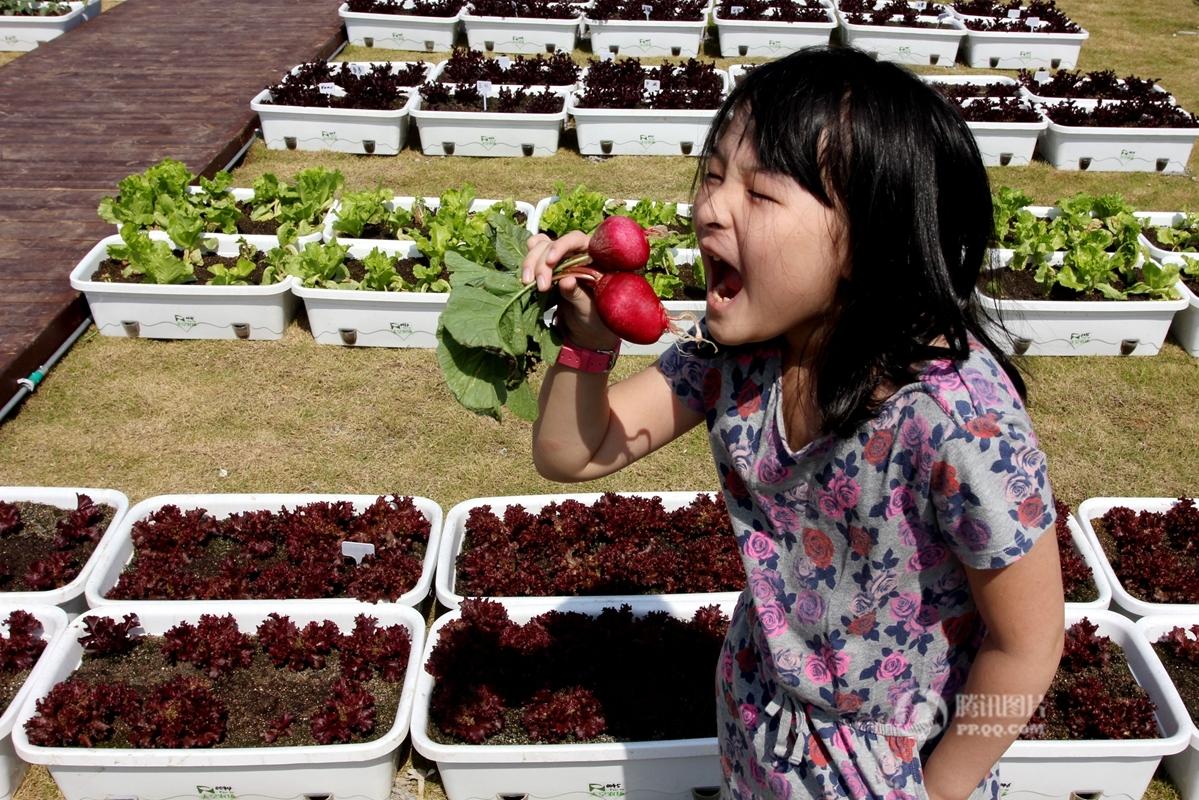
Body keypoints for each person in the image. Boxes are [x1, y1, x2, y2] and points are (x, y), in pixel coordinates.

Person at [521, 46, 1064, 800]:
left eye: (759, 193)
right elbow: (573, 455)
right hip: (758, 718)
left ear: (869, 237)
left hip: (894, 765)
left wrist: (940, 791)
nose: (710, 206)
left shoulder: (957, 418)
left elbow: (1027, 645)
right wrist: (587, 343)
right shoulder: (735, 359)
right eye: (711, 176)